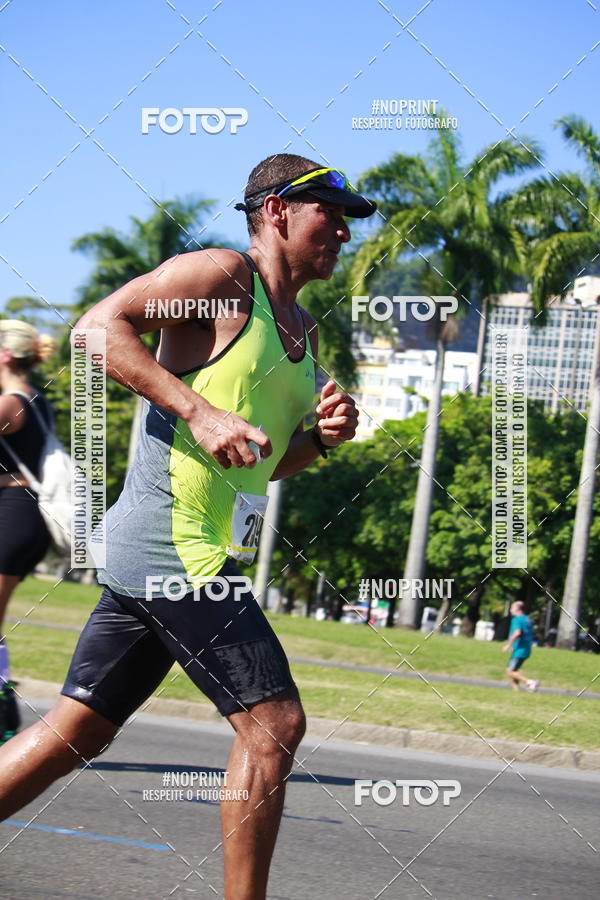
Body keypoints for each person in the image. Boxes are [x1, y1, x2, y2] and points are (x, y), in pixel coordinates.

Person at [0, 155, 376, 899]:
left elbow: (257, 467)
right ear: (275, 211)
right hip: (172, 546)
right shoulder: (221, 279)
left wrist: (321, 444)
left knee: (78, 731)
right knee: (274, 724)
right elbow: (96, 329)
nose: (341, 229)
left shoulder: (298, 332)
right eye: (328, 212)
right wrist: (199, 412)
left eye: (347, 219)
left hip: (177, 551)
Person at [0, 320, 56, 742]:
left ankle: (3, 723)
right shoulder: (37, 399)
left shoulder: (11, 404)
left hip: (14, 516)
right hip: (20, 516)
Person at [502, 600, 539, 692]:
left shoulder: (517, 619)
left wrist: (508, 645)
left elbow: (517, 633)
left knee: (510, 671)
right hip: (526, 648)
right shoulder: (527, 619)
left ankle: (530, 682)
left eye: (512, 608)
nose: (510, 610)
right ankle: (516, 691)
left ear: (518, 609)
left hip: (519, 649)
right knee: (514, 671)